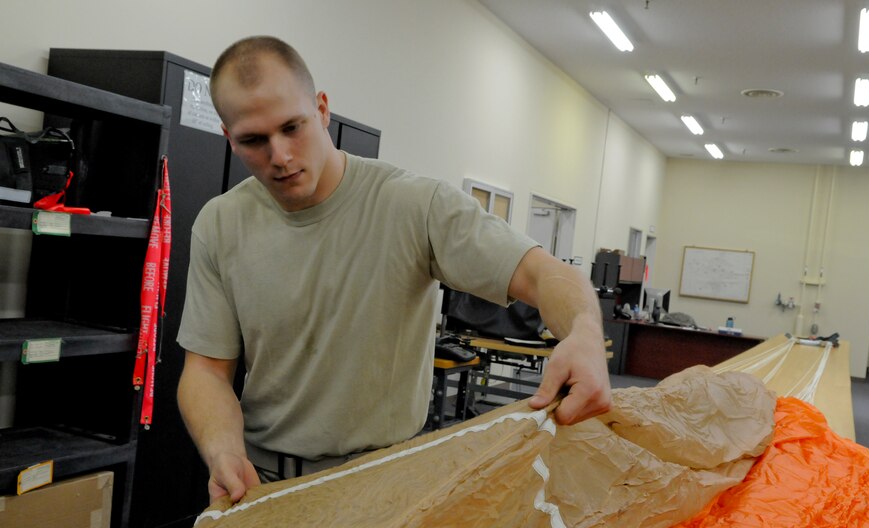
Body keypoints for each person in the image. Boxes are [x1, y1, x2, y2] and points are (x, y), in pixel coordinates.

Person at [176, 35, 612, 503]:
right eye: (254, 140)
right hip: (263, 486)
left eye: (292, 127)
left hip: (383, 486)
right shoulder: (220, 225)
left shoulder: (414, 205)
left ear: (322, 109)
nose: (279, 156)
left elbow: (543, 273)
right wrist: (222, 449)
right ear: (229, 138)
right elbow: (206, 371)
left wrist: (584, 331)